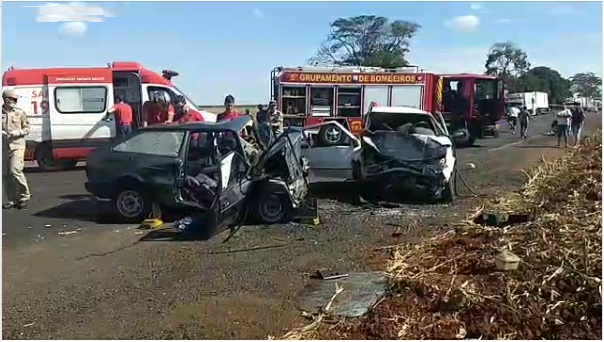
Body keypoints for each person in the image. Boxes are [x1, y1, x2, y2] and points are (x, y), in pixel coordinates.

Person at [2, 89, 30, 210]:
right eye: (13, 99)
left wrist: (18, 132)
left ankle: (24, 197)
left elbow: (27, 128)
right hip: (3, 146)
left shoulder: (20, 113)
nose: (15, 101)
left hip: (17, 145)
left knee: (15, 170)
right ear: (7, 99)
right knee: (6, 174)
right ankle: (12, 199)